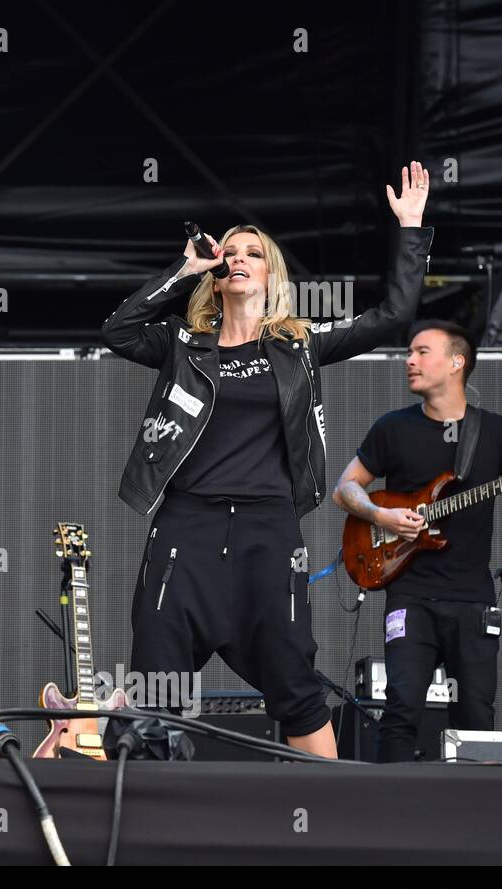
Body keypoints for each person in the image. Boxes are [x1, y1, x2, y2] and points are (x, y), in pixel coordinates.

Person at [102, 162, 433, 758]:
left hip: (268, 529)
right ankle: (151, 828)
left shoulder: (299, 346)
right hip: (185, 528)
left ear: (269, 272)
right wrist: (186, 268)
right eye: (229, 252)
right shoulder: (183, 344)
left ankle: (328, 825)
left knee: (292, 674)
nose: (238, 259)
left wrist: (410, 228)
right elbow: (118, 331)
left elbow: (393, 317)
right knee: (157, 679)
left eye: (252, 253)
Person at [333, 321, 499, 761]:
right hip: (409, 593)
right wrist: (379, 513)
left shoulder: (494, 432)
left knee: (477, 714)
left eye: (423, 352)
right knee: (402, 705)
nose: (410, 360)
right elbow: (344, 488)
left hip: (473, 598)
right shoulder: (393, 428)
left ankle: (472, 818)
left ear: (456, 362)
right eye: (409, 352)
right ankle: (389, 814)